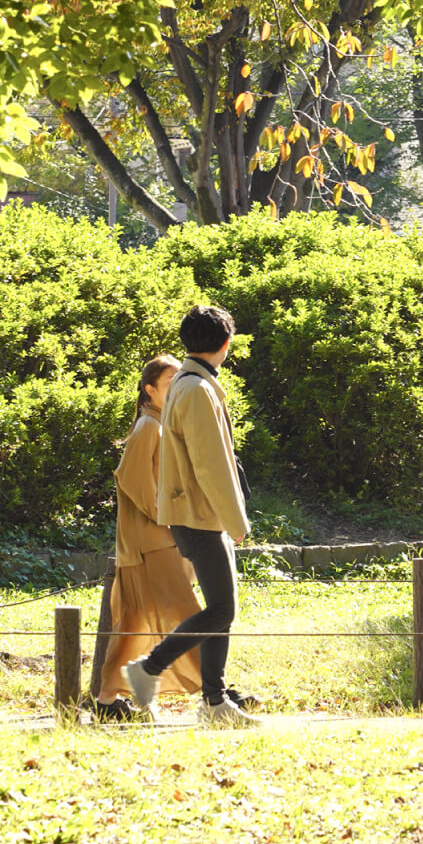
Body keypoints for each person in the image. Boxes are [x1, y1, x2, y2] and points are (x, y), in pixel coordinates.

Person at [123, 304, 258, 727]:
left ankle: (214, 702)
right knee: (220, 610)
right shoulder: (197, 389)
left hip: (196, 513)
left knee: (222, 609)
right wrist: (237, 522)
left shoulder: (187, 382)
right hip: (201, 514)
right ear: (225, 343)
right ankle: (150, 668)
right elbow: (211, 464)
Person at [94, 354, 202, 721]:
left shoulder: (161, 425)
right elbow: (135, 482)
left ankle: (107, 699)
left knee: (134, 620)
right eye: (171, 380)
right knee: (190, 614)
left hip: (152, 541)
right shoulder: (148, 428)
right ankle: (216, 691)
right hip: (152, 542)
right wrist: (174, 521)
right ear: (150, 389)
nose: (178, 386)